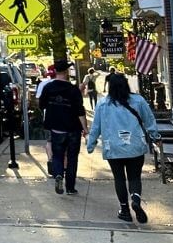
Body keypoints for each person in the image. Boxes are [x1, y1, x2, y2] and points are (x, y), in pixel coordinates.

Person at [87, 73, 159, 223]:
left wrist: (91, 144)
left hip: (113, 147)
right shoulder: (138, 100)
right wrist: (155, 136)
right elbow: (149, 120)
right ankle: (136, 199)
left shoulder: (102, 104)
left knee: (119, 178)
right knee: (134, 177)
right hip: (135, 146)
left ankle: (125, 210)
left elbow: (96, 126)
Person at [39, 59, 88, 195]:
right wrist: (85, 129)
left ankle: (58, 174)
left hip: (56, 128)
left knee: (57, 155)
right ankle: (70, 187)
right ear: (66, 72)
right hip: (73, 129)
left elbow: (41, 105)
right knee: (72, 158)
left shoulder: (48, 88)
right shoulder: (73, 89)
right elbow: (80, 111)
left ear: (55, 71)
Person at [35, 65, 57, 175]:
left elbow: (38, 101)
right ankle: (63, 165)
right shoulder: (64, 84)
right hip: (63, 119)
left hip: (48, 118)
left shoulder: (43, 84)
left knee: (49, 141)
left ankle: (51, 162)